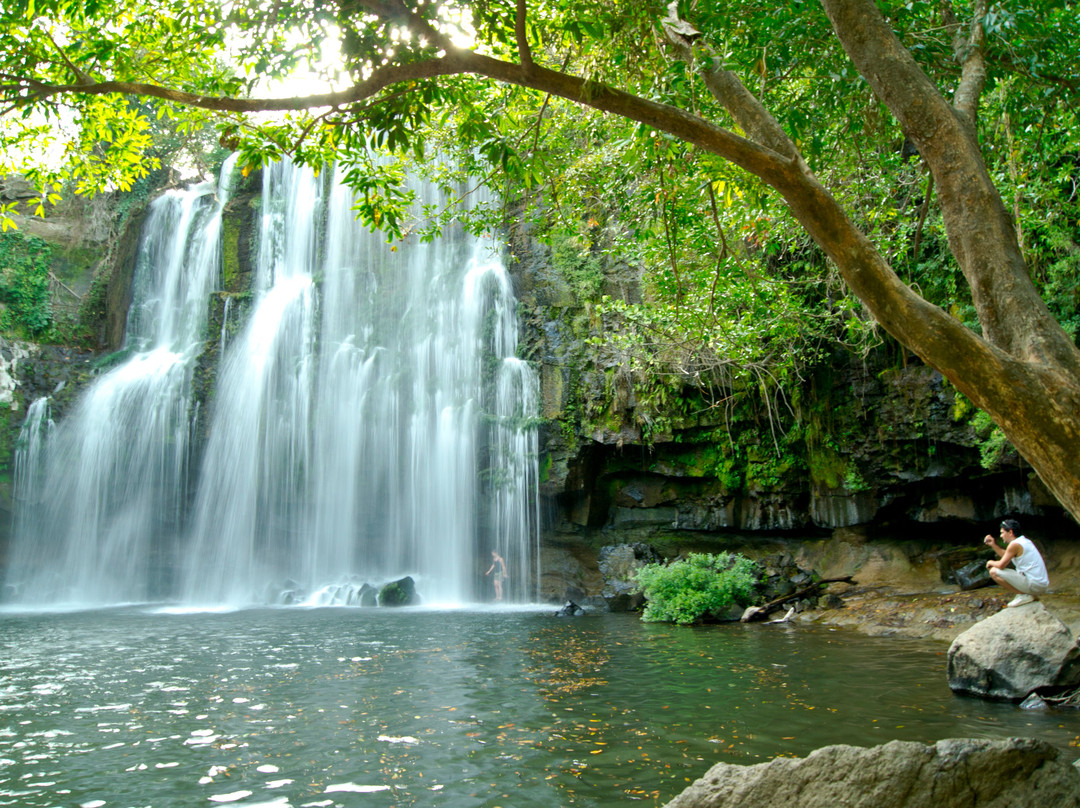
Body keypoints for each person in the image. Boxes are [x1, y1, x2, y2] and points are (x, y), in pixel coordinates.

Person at [983, 518, 1050, 608]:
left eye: (1002, 533)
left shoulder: (1014, 544)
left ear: (1010, 532)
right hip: (1040, 584)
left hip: (1034, 584)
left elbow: (1001, 565)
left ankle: (1024, 595)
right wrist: (993, 545)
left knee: (993, 571)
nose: (1001, 536)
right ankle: (1027, 594)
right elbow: (1006, 555)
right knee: (996, 569)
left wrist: (990, 562)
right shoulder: (1024, 541)